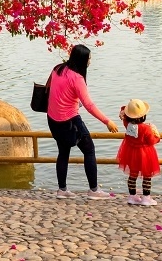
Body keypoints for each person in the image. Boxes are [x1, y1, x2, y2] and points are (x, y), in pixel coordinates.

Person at [46, 44, 120, 199]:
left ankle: (62, 190)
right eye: (89, 58)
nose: (90, 62)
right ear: (82, 59)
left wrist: (73, 101)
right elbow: (89, 105)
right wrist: (107, 121)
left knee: (63, 152)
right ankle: (94, 191)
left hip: (53, 119)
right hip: (69, 120)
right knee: (89, 150)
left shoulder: (57, 69)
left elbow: (54, 90)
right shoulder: (77, 78)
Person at [116, 98, 161, 206]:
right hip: (145, 154)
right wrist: (157, 135)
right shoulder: (146, 128)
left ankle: (132, 197)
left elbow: (123, 111)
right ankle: (146, 198)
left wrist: (125, 110)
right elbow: (152, 141)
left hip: (131, 153)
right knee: (147, 176)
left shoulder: (127, 124)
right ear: (143, 116)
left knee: (132, 175)